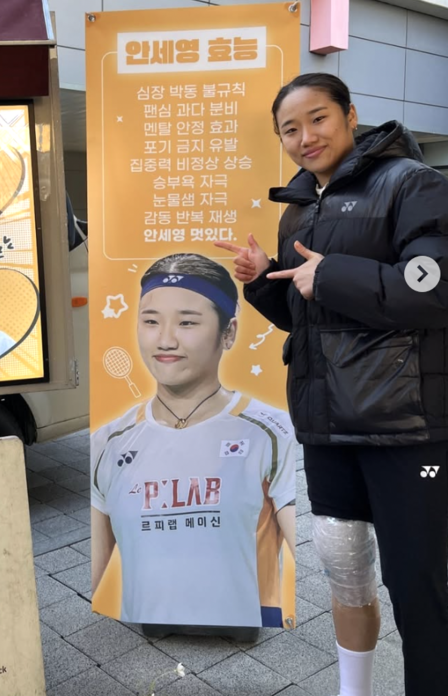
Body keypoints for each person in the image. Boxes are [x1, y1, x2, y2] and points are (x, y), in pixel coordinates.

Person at [215, 72, 448, 696]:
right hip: (326, 422)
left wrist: (332, 276)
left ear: (350, 115)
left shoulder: (413, 183)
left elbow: (433, 287)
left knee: (419, 583)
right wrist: (265, 278)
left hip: (408, 427)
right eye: (289, 129)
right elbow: (309, 317)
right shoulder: (298, 209)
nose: (305, 137)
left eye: (317, 118)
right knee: (344, 570)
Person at [91, 253, 296, 628]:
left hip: (244, 626)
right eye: (150, 321)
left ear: (228, 332)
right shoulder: (108, 440)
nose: (165, 340)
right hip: (145, 627)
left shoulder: (271, 430)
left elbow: (310, 546)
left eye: (187, 322)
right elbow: (96, 566)